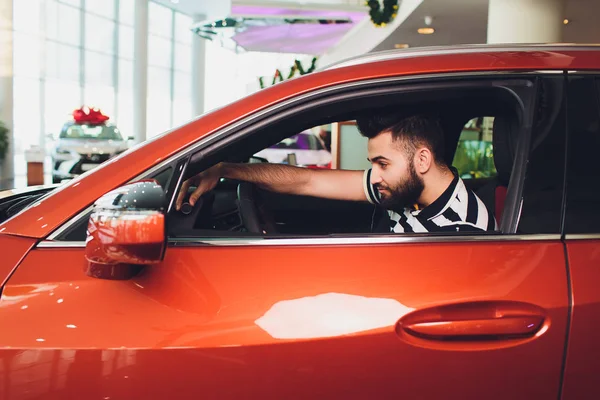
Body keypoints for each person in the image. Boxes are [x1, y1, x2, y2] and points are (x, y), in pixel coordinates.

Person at [176, 113, 496, 233]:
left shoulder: (458, 231)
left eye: (382, 163)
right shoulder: (409, 186)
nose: (375, 175)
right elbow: (307, 180)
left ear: (422, 159)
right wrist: (225, 170)